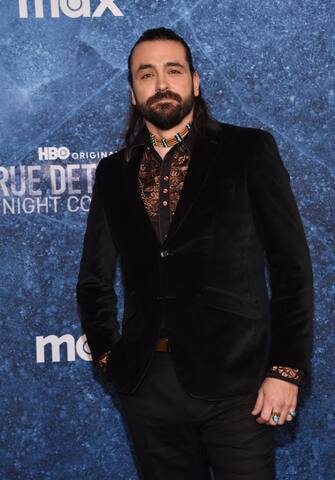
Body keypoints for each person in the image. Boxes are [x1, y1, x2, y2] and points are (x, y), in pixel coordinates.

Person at [76, 27, 314, 480]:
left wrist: (286, 370)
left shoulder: (248, 150)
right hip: (147, 388)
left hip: (238, 387)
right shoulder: (114, 172)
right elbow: (93, 281)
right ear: (132, 92)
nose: (161, 83)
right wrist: (109, 357)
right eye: (146, 74)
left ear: (195, 82)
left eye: (173, 70)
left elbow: (292, 271)